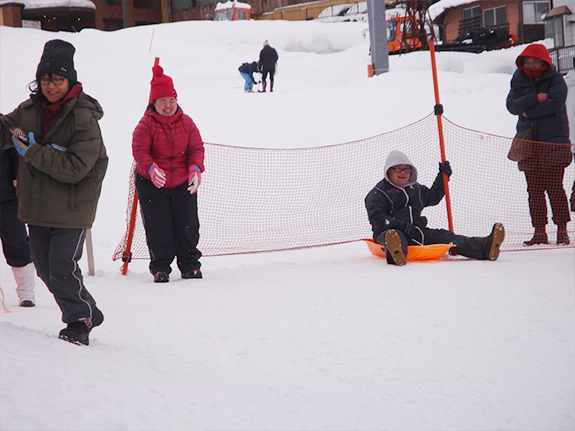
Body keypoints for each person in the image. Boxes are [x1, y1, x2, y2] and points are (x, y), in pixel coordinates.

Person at [0, 39, 108, 345]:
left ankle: (78, 320)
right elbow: (5, 130)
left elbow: (76, 167)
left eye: (58, 80)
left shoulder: (83, 118)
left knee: (61, 266)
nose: (51, 86)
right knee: (47, 271)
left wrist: (32, 152)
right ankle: (88, 310)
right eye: (46, 79)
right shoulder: (29, 110)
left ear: (70, 80)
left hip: (73, 206)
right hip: (37, 206)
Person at [365, 150, 505, 266]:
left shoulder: (415, 189)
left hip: (417, 232)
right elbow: (378, 220)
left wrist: (442, 177)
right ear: (389, 171)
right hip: (388, 232)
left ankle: (485, 247)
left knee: (446, 236)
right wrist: (403, 226)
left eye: (406, 169)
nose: (403, 172)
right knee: (396, 236)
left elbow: (433, 197)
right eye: (398, 169)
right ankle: (396, 253)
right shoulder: (378, 193)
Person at [132, 64, 205, 283]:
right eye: (162, 101)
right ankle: (160, 266)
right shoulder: (145, 125)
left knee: (188, 225)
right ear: (153, 103)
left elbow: (196, 149)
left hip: (183, 183)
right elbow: (140, 152)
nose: (168, 105)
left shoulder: (187, 122)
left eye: (171, 100)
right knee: (159, 227)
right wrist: (151, 168)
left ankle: (190, 264)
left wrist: (195, 169)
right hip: (153, 184)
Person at [506, 43, 572, 246]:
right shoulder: (518, 80)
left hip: (554, 144)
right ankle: (539, 232)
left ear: (544, 61)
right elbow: (512, 105)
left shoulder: (555, 79)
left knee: (554, 188)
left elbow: (556, 103)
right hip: (529, 146)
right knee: (534, 191)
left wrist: (528, 111)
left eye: (535, 61)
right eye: (528, 61)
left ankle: (562, 230)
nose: (532, 65)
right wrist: (536, 98)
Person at [0, 147, 35, 307]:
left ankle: (26, 292)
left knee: (16, 241)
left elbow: (14, 151)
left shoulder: (5, 123)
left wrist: (17, 180)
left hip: (7, 195)